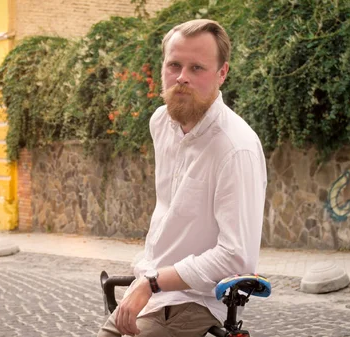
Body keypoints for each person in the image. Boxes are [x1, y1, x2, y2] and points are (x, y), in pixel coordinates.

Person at [98, 19, 267, 337]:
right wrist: (145, 278)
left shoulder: (236, 148)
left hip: (199, 300)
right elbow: (169, 217)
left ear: (222, 74)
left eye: (197, 68)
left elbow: (236, 257)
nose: (182, 78)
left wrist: (153, 282)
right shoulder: (161, 123)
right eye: (174, 65)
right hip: (151, 290)